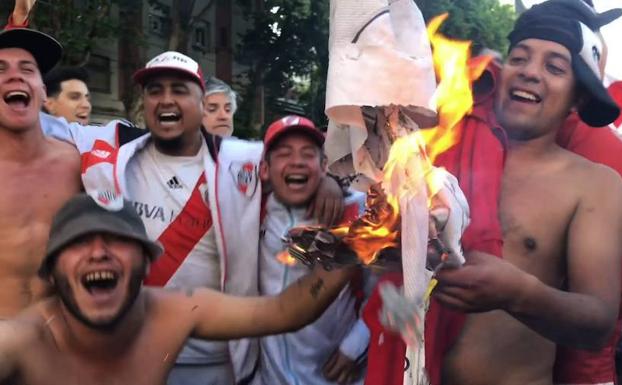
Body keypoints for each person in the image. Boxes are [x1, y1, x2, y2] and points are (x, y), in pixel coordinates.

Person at [40, 50, 345, 385]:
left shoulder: (243, 159)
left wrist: (331, 183)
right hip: (132, 355)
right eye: (155, 90)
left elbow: (298, 165)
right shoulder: (111, 150)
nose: (165, 99)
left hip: (222, 359)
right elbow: (37, 123)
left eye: (179, 90)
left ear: (201, 103)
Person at [361, 2, 622, 385]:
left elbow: (599, 322)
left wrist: (518, 293)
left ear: (577, 97)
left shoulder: (594, 184)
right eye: (519, 58)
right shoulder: (437, 151)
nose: (530, 72)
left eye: (554, 67)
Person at [0, 193, 356, 385]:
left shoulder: (173, 312)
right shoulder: (23, 342)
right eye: (79, 242)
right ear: (52, 272)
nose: (98, 253)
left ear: (145, 264)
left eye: (116, 240)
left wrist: (357, 250)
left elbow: (285, 312)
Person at [258, 115, 371, 385]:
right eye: (284, 154)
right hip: (267, 377)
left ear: (323, 166)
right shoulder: (252, 210)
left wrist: (355, 346)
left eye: (307, 154)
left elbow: (388, 287)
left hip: (337, 376)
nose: (296, 161)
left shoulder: (357, 212)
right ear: (265, 169)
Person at [0, 27, 81, 317]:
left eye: (27, 69)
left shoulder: (78, 165)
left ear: (44, 91)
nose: (15, 75)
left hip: (63, 344)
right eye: (0, 69)